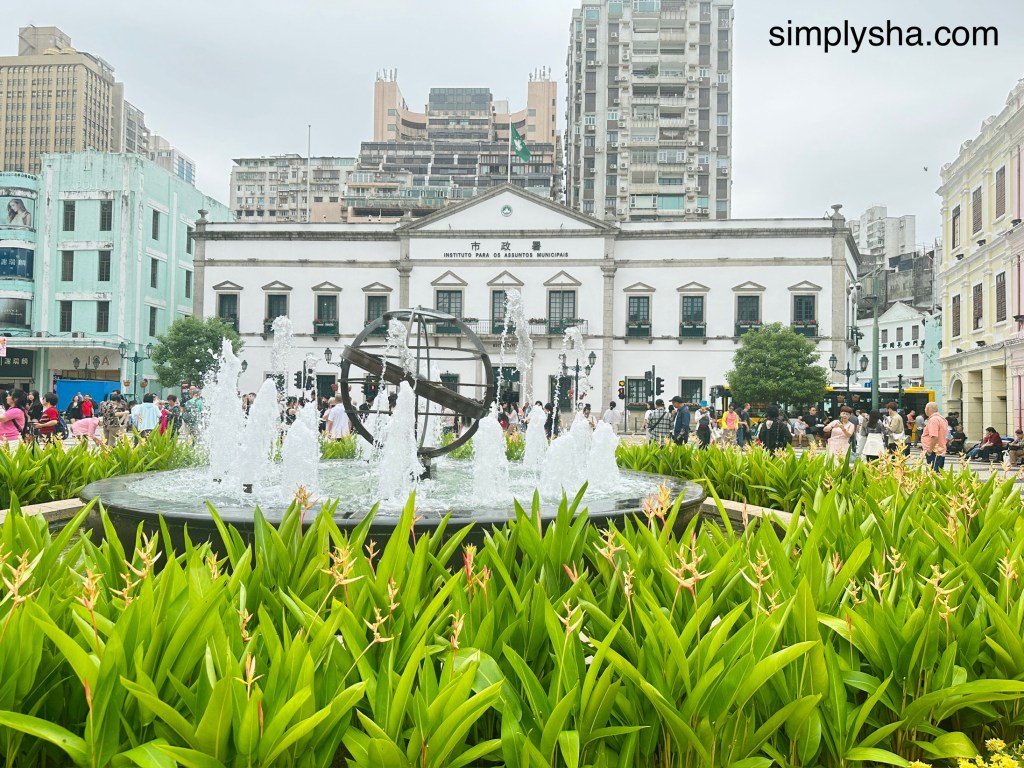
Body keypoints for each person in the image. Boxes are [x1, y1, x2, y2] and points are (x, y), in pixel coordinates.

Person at [920, 401, 949, 472]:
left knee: (933, 473)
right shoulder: (942, 419)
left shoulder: (933, 420)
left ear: (928, 409)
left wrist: (929, 451)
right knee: (938, 473)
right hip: (940, 450)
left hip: (934, 451)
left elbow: (934, 436)